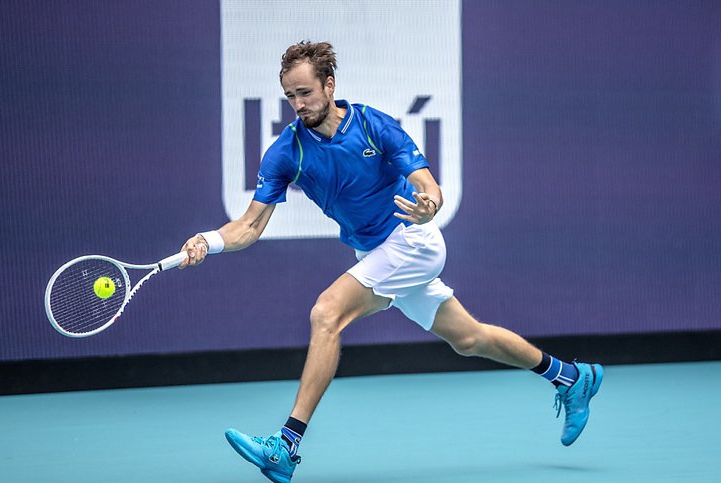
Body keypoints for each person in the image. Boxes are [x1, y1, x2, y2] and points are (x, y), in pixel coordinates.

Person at [179, 41, 603, 483]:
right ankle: (570, 377)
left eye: (305, 93)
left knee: (327, 313)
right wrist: (208, 241)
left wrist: (429, 205)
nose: (298, 104)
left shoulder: (373, 125)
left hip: (412, 240)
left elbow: (427, 184)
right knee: (469, 338)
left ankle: (286, 446)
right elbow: (249, 225)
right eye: (290, 96)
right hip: (376, 253)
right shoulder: (287, 151)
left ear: (329, 84)